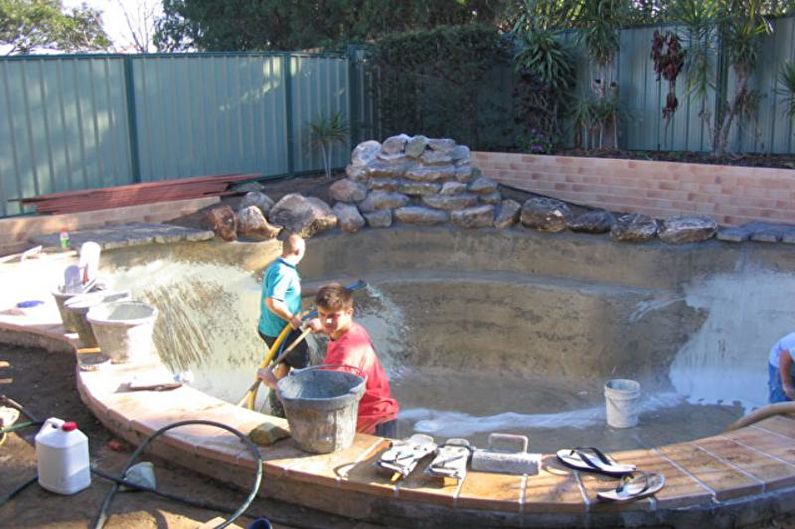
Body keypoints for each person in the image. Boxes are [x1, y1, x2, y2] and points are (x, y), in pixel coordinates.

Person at [259, 282, 399, 437]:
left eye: (333, 316)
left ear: (349, 312)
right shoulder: (353, 331)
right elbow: (336, 330)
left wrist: (275, 383)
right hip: (371, 418)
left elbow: (324, 400)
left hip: (371, 425)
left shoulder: (346, 352)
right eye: (322, 314)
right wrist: (324, 328)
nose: (327, 321)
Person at [256, 234, 310, 397]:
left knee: (284, 363)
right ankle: (302, 399)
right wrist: (291, 318)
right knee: (304, 367)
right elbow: (272, 301)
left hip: (269, 329)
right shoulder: (283, 272)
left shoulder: (276, 266)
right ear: (299, 251)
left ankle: (278, 403)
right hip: (282, 331)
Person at [768, 332, 795, 403]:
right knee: (783, 396)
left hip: (790, 356)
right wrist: (786, 384)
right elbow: (785, 356)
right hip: (782, 359)